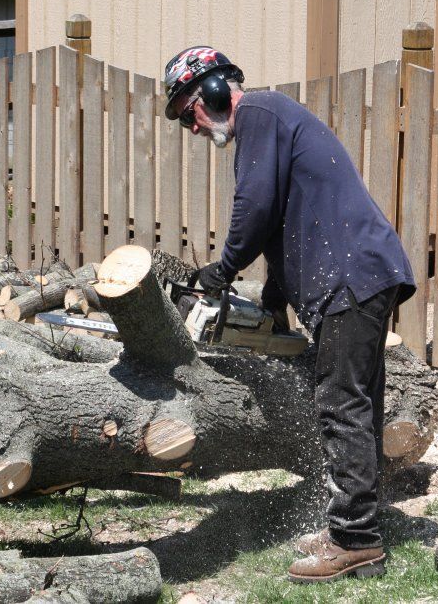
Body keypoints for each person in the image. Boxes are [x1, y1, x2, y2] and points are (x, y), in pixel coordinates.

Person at [162, 46, 416, 584]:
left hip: (352, 276)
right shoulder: (272, 123)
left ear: (213, 90)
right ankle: (357, 526)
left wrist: (220, 272)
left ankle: (355, 540)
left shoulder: (260, 117)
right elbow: (280, 224)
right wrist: (274, 300)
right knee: (359, 403)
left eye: (189, 112)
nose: (191, 126)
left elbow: (254, 210)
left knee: (339, 403)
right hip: (361, 273)